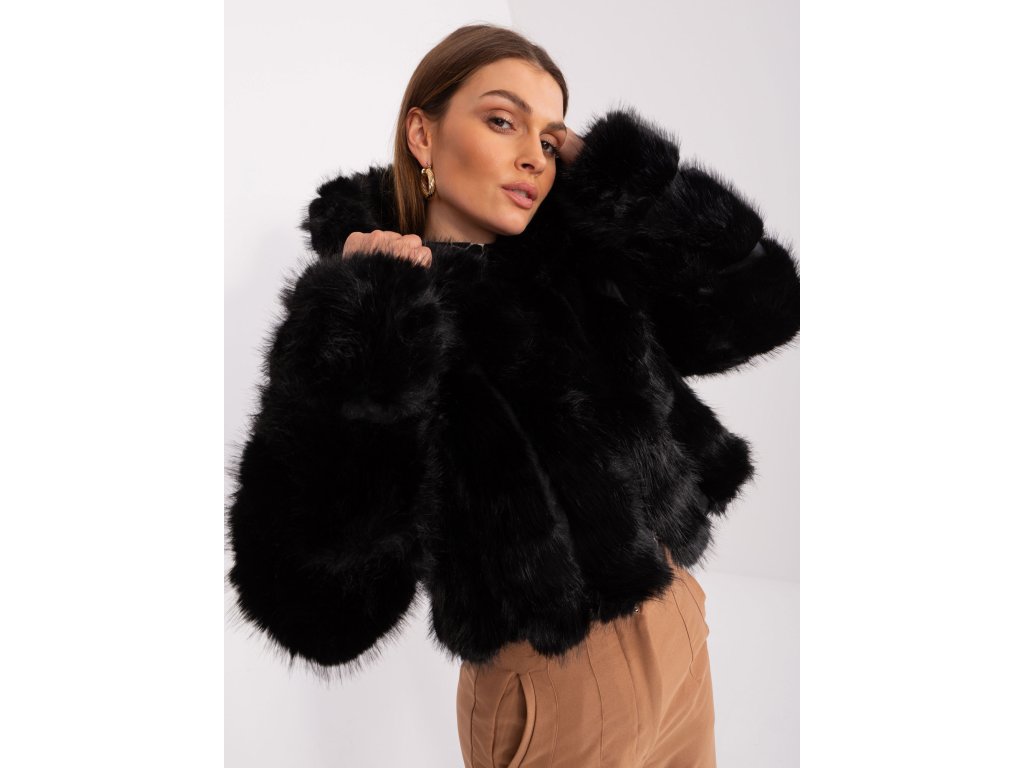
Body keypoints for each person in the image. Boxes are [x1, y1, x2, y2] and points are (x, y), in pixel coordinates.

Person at [226, 22, 799, 768]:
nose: (535, 155)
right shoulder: (387, 318)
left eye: (551, 137)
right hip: (562, 684)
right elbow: (315, 608)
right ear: (423, 135)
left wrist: (628, 186)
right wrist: (365, 318)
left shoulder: (574, 256)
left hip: (680, 626)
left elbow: (766, 306)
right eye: (503, 121)